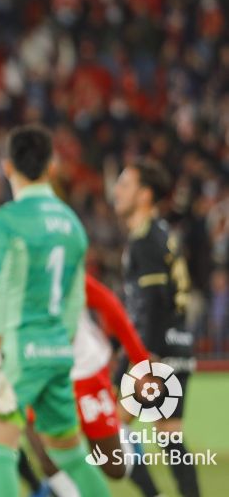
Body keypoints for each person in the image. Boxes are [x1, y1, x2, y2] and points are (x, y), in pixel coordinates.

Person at [0, 202, 162, 496]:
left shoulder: (39, 269)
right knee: (48, 461)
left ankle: (123, 430)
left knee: (114, 467)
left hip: (83, 369)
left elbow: (107, 303)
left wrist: (141, 364)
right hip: (32, 373)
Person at [0, 125, 110, 497]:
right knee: (72, 457)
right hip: (58, 350)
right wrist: (58, 343)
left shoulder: (4, 220)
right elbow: (74, 301)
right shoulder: (72, 225)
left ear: (7, 167)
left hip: (20, 349)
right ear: (51, 166)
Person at [112, 159, 200, 497]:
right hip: (178, 346)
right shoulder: (161, 232)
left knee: (108, 430)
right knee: (169, 434)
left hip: (155, 351)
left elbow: (149, 306)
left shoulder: (145, 239)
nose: (116, 192)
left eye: (124, 185)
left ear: (145, 195)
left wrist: (134, 362)